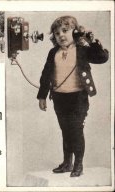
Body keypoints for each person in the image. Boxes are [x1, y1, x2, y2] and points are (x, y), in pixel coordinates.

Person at [37, 15, 109, 177]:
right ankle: (67, 163)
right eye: (56, 33)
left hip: (78, 99)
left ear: (75, 31)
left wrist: (90, 41)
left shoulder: (83, 49)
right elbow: (45, 75)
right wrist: (42, 96)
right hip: (59, 98)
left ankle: (78, 164)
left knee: (75, 130)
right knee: (65, 131)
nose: (61, 35)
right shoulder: (53, 52)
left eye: (65, 30)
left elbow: (102, 58)